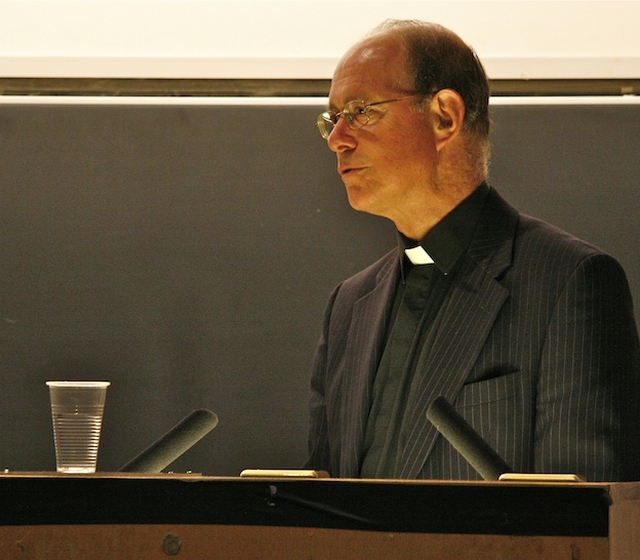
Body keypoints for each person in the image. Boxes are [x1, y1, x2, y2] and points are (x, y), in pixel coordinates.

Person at [305, 19, 640, 482]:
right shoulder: (348, 305)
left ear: (445, 116)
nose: (338, 138)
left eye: (360, 111)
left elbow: (583, 527)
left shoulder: (569, 283)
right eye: (331, 119)